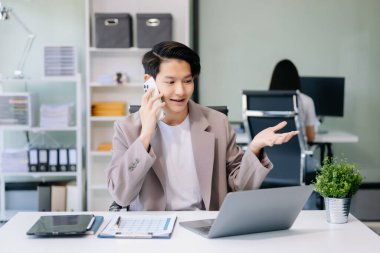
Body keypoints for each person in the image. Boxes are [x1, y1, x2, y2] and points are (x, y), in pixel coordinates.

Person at [106, 41, 298, 211]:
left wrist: (254, 149)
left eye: (188, 81)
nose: (181, 91)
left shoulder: (217, 123)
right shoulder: (127, 129)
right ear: (150, 83)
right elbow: (121, 195)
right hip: (155, 230)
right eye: (170, 82)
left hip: (206, 226)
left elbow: (241, 187)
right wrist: (146, 135)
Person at [269, 59, 317, 142]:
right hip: (296, 153)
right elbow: (311, 137)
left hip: (269, 153)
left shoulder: (264, 101)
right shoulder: (306, 100)